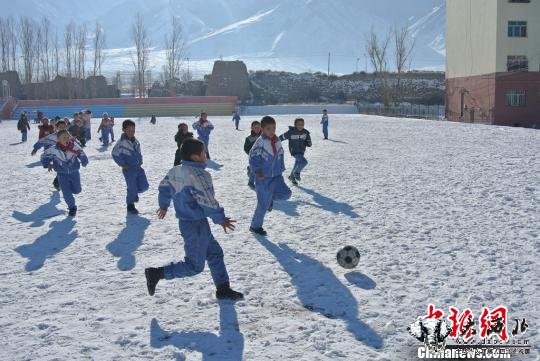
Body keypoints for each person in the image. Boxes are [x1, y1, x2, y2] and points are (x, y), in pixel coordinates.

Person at [144, 138, 243, 301]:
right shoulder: (199, 175)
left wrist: (163, 205)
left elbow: (163, 187)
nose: (206, 155)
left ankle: (223, 288)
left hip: (190, 223)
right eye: (204, 153)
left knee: (215, 254)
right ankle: (157, 273)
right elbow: (207, 201)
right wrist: (221, 218)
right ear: (196, 157)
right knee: (194, 266)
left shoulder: (175, 170)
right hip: (196, 225)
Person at [248, 116, 292, 236]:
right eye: (268, 128)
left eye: (274, 128)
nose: (272, 131)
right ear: (262, 129)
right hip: (263, 178)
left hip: (277, 176)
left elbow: (280, 155)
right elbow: (252, 157)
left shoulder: (276, 140)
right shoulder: (260, 142)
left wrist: (281, 168)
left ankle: (270, 200)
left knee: (286, 194)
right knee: (262, 205)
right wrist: (257, 171)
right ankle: (255, 226)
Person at [41, 129, 88, 217]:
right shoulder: (53, 149)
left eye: (67, 137)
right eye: (63, 137)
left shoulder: (74, 146)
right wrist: (48, 163)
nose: (66, 139)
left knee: (77, 190)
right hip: (62, 173)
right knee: (66, 192)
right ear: (58, 139)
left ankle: (72, 190)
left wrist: (84, 160)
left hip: (74, 172)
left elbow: (81, 152)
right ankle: (72, 207)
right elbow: (44, 156)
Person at [112, 119, 149, 215]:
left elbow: (139, 153)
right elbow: (115, 154)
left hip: (138, 167)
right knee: (131, 187)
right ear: (123, 130)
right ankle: (130, 205)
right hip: (129, 169)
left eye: (133, 130)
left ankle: (134, 194)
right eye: (129, 130)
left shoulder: (136, 141)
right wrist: (123, 164)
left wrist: (140, 161)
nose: (131, 132)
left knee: (145, 186)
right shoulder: (121, 142)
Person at [32, 120, 70, 191]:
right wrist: (35, 149)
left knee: (65, 169)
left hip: (65, 155)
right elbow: (42, 141)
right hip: (55, 156)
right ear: (56, 127)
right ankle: (57, 182)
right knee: (61, 168)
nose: (62, 128)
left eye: (64, 127)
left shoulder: (68, 136)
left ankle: (57, 181)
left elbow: (76, 144)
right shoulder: (52, 136)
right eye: (60, 127)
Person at [278, 118, 312, 185]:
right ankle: (296, 173)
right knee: (304, 162)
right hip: (294, 151)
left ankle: (291, 177)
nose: (300, 126)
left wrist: (309, 143)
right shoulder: (291, 132)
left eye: (302, 124)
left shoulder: (305, 132)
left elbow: (308, 140)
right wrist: (276, 141)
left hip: (302, 151)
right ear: (295, 125)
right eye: (298, 124)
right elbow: (282, 137)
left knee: (297, 164)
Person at [243, 120, 261, 189]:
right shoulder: (249, 138)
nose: (257, 129)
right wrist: (251, 153)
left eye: (259, 127)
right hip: (253, 157)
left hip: (262, 156)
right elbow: (246, 148)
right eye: (255, 127)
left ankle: (249, 168)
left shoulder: (263, 137)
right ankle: (251, 182)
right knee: (254, 169)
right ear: (252, 128)